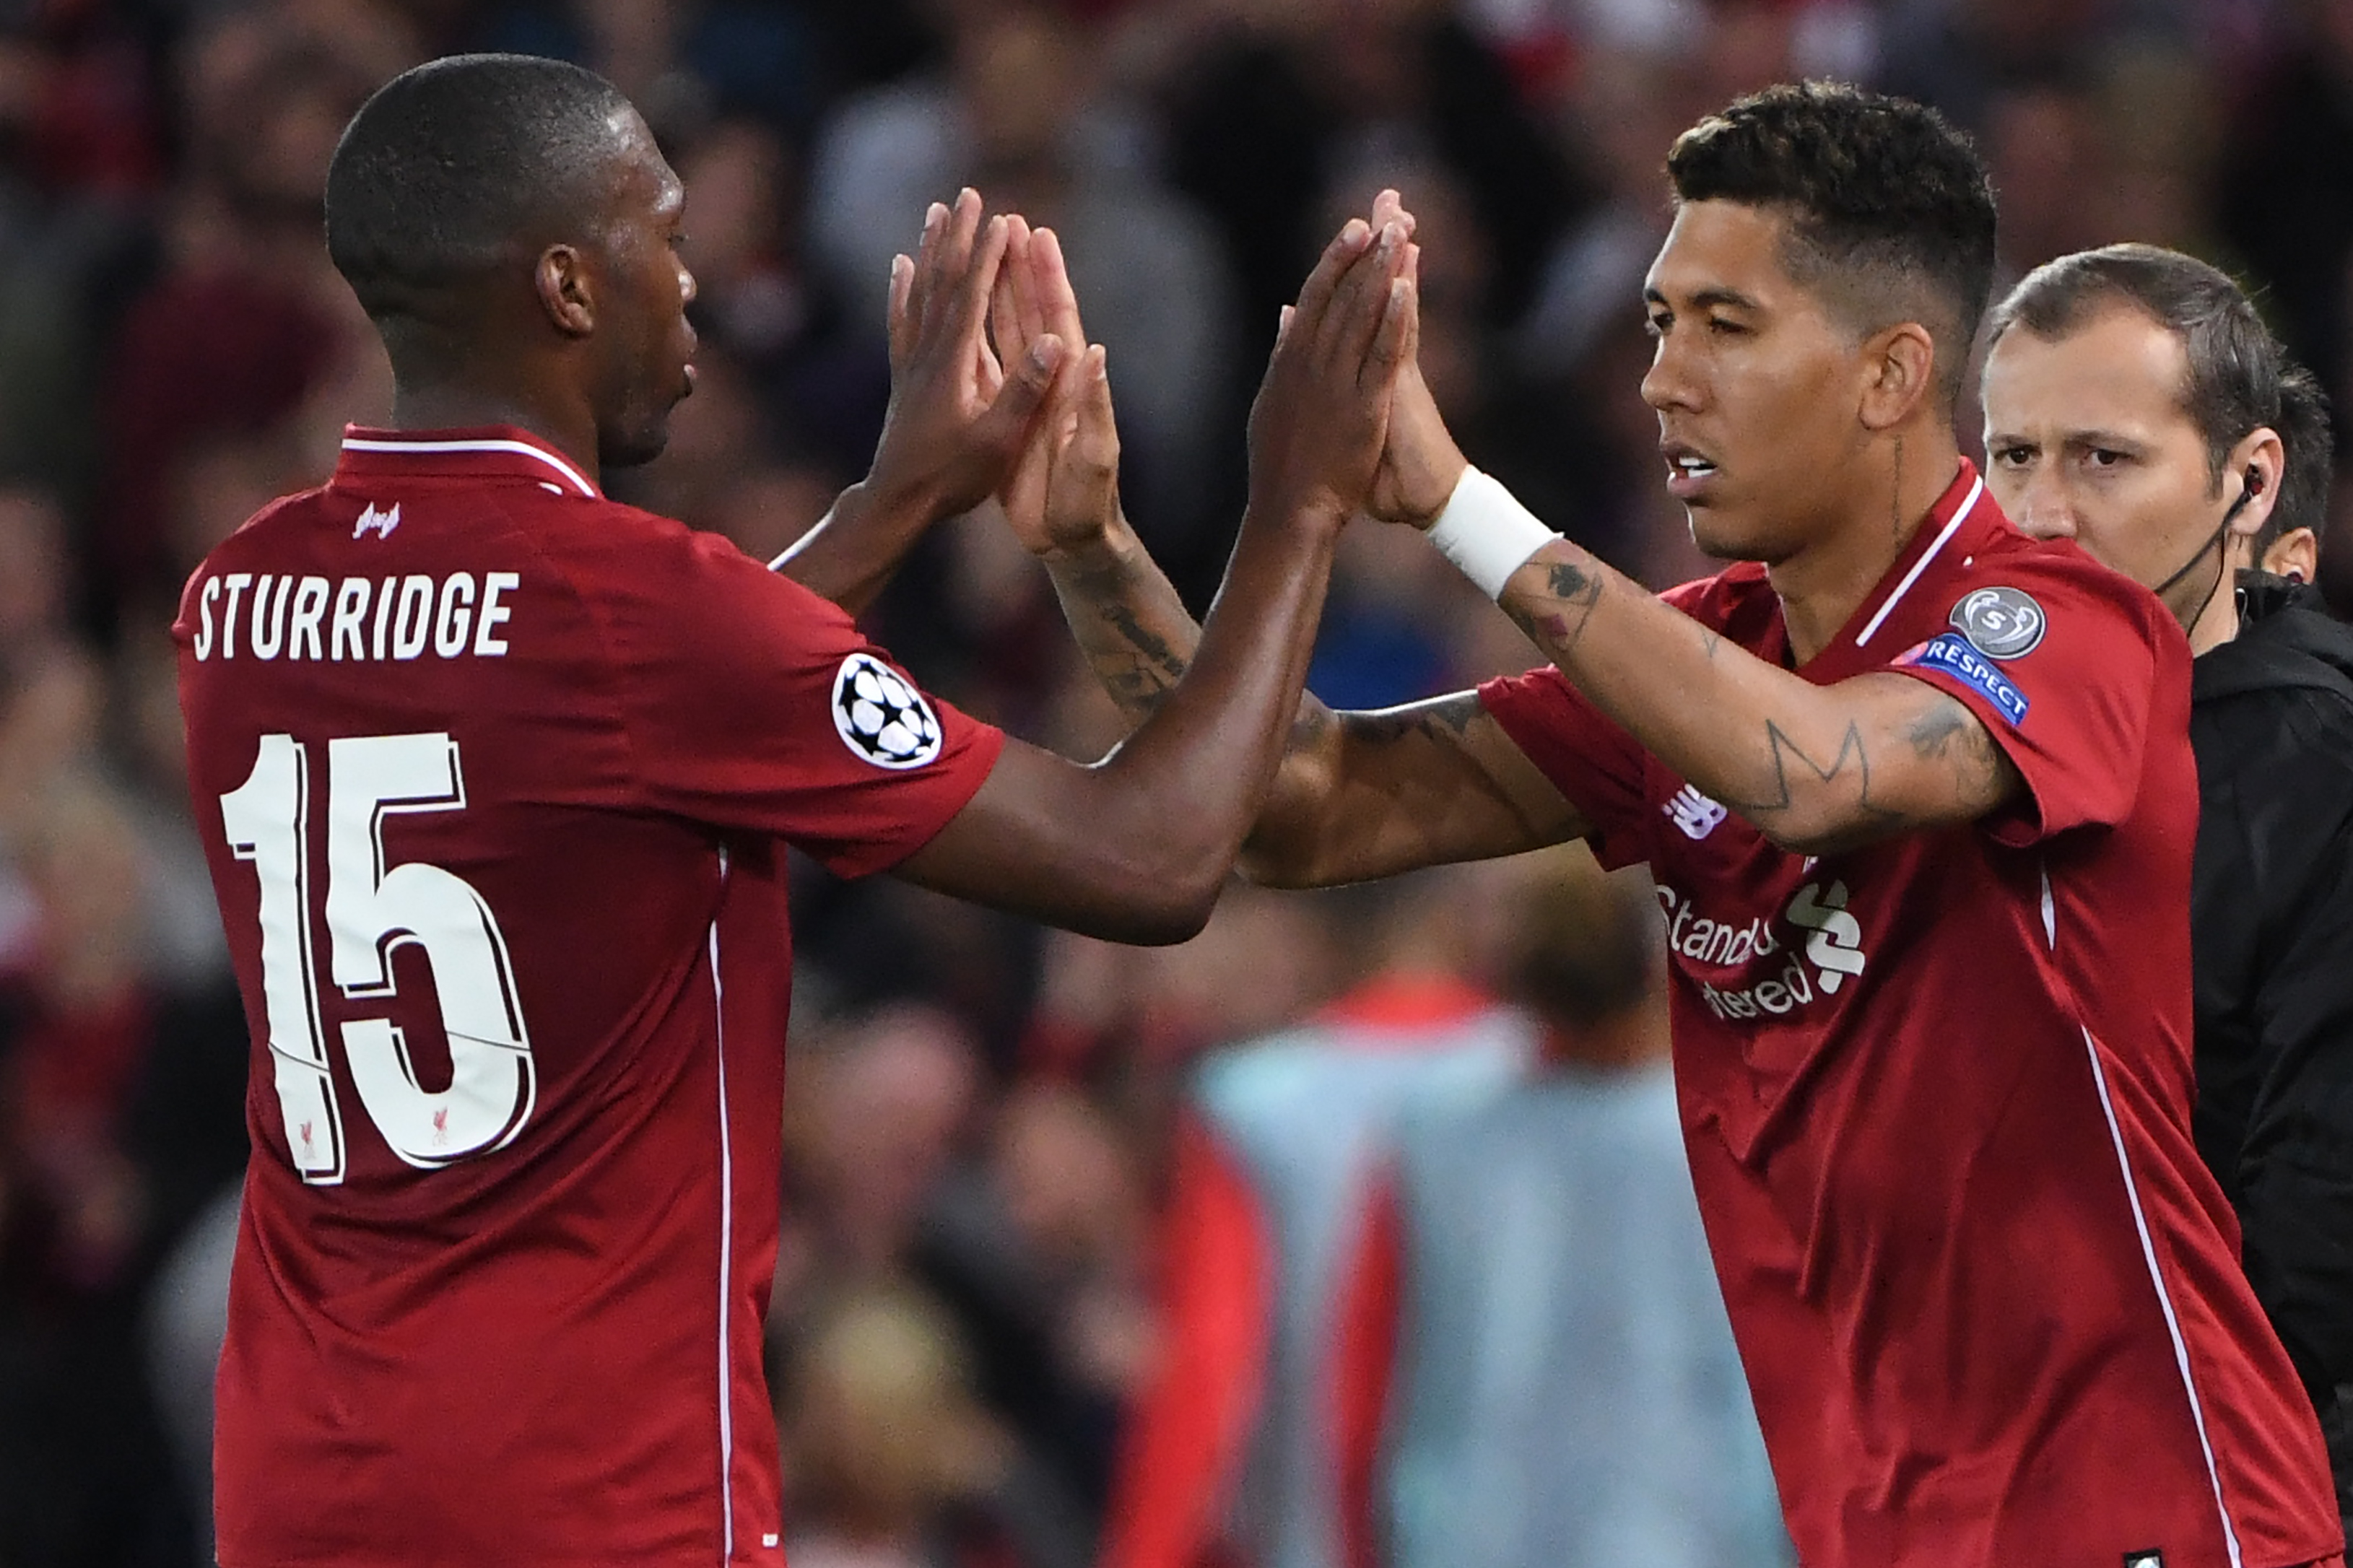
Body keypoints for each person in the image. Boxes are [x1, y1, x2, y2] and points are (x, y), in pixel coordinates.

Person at [911, 83, 2347, 1567]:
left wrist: (1459, 501)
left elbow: (1816, 774)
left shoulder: (2059, 617)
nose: (1665, 380)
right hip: (1884, 1524)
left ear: (1887, 375)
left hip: (2153, 1514)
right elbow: (1296, 811)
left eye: (1724, 327)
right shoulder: (1695, 660)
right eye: (1660, 325)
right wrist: (1090, 545)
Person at [172, 53, 1417, 1567]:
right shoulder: (641, 611)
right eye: (667, 238)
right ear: (568, 286)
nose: (696, 287)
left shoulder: (243, 595)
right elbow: (1150, 859)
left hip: (300, 1484)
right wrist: (1296, 504)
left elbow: (597, 730)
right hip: (588, 1508)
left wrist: (894, 496)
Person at [1979, 242, 2353, 1530]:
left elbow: (2317, 1232)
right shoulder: (1951, 749)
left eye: (2104, 458)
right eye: (2012, 457)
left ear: (2249, 482)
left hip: (2245, 1495)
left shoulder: (2323, 768)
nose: (2038, 515)